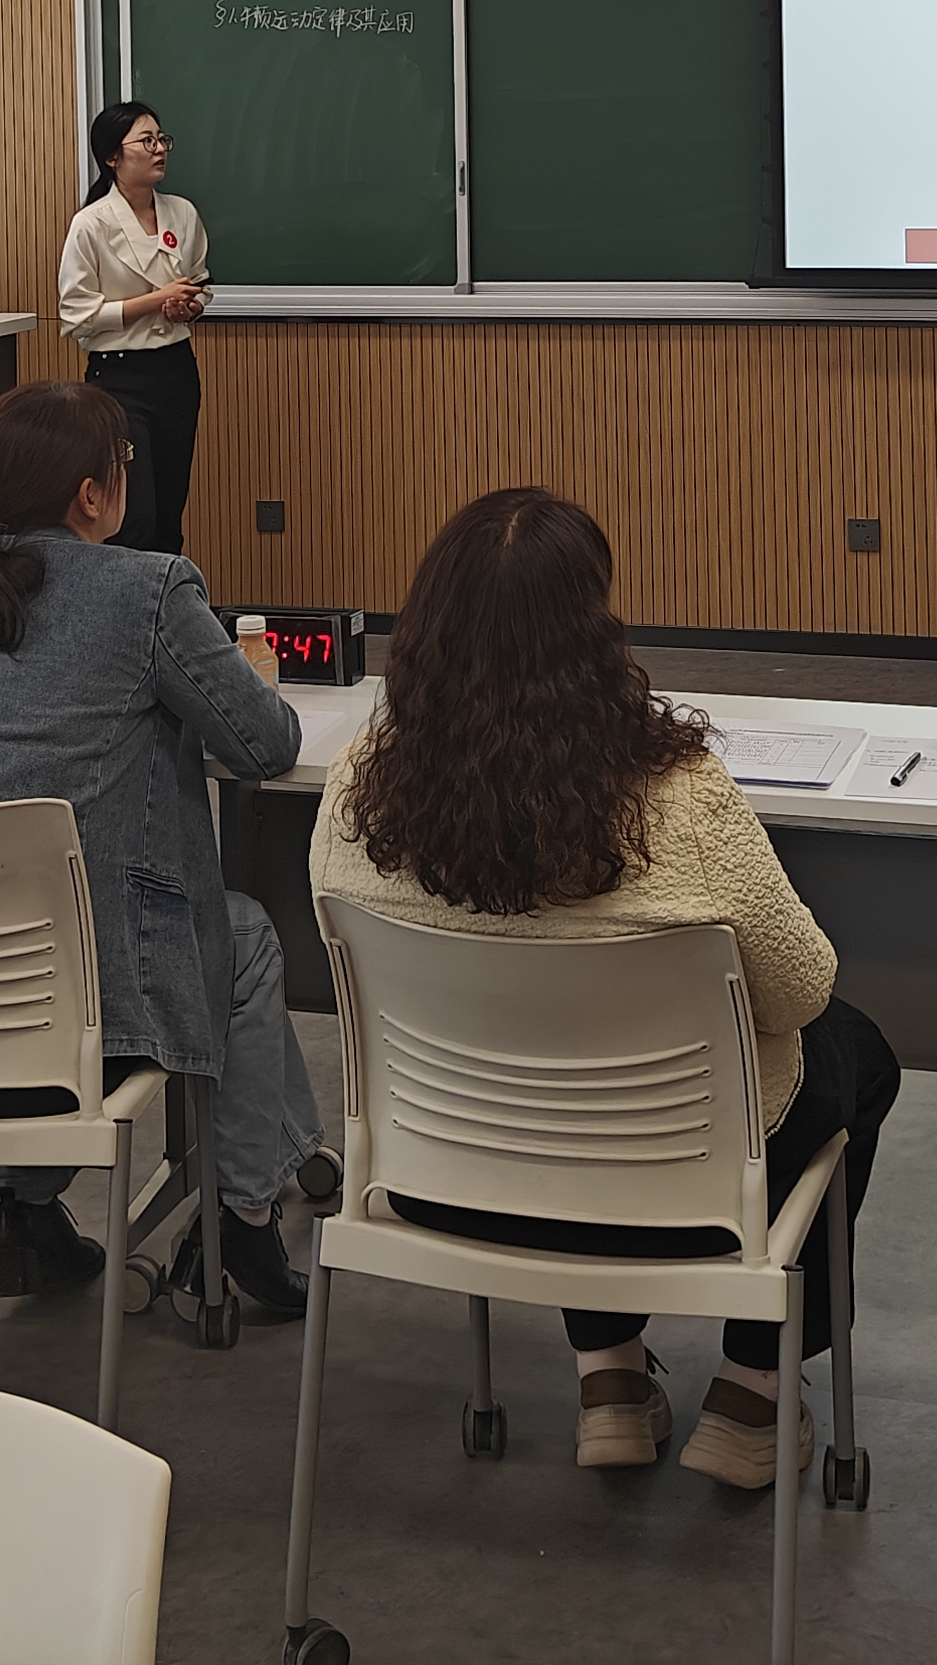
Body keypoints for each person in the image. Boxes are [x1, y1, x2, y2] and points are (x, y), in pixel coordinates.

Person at [312, 488, 903, 1490]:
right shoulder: (681, 795)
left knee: (539, 1054)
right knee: (857, 1055)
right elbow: (800, 991)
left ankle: (610, 1382)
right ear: (595, 632)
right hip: (672, 1191)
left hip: (444, 1183)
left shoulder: (356, 787)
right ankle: (753, 1390)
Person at [0, 378, 320, 1316]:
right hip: (79, 990)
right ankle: (242, 1214)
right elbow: (264, 745)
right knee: (244, 939)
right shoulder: (146, 589)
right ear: (92, 494)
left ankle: (28, 1209)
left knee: (22, 917)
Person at [56, 100, 209, 555]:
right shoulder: (91, 224)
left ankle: (165, 599)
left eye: (162, 139)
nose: (159, 149)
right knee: (133, 516)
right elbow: (76, 314)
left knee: (169, 512)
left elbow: (199, 284)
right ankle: (126, 599)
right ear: (112, 157)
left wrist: (187, 308)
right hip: (119, 379)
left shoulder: (182, 213)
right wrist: (156, 300)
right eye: (146, 141)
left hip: (176, 371)